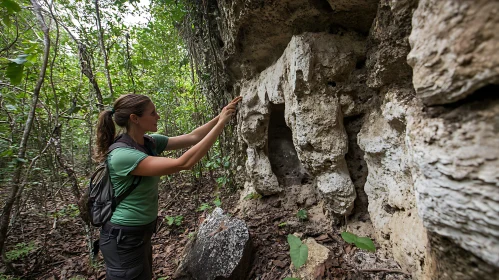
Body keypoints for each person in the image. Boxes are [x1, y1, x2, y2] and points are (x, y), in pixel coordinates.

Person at [94, 93, 242, 279]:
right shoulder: (122, 155)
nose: (158, 116)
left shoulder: (149, 142)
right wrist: (221, 124)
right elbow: (183, 163)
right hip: (123, 240)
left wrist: (221, 115)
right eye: (153, 113)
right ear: (135, 118)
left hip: (138, 235)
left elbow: (192, 137)